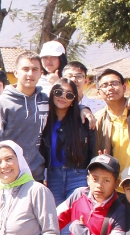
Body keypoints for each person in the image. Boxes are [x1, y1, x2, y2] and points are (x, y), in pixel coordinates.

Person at [0, 52, 49, 183]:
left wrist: (82, 109)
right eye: (25, 69)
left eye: (35, 70)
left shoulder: (45, 101)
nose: (30, 74)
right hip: (8, 176)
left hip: (36, 176)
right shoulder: (3, 103)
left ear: (41, 73)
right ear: (16, 73)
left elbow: (68, 110)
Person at [41, 78, 97, 206]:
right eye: (58, 92)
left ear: (73, 100)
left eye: (69, 95)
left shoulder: (83, 121)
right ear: (52, 94)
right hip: (52, 177)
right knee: (57, 218)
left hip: (78, 175)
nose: (63, 97)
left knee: (77, 217)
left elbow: (92, 150)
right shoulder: (44, 120)